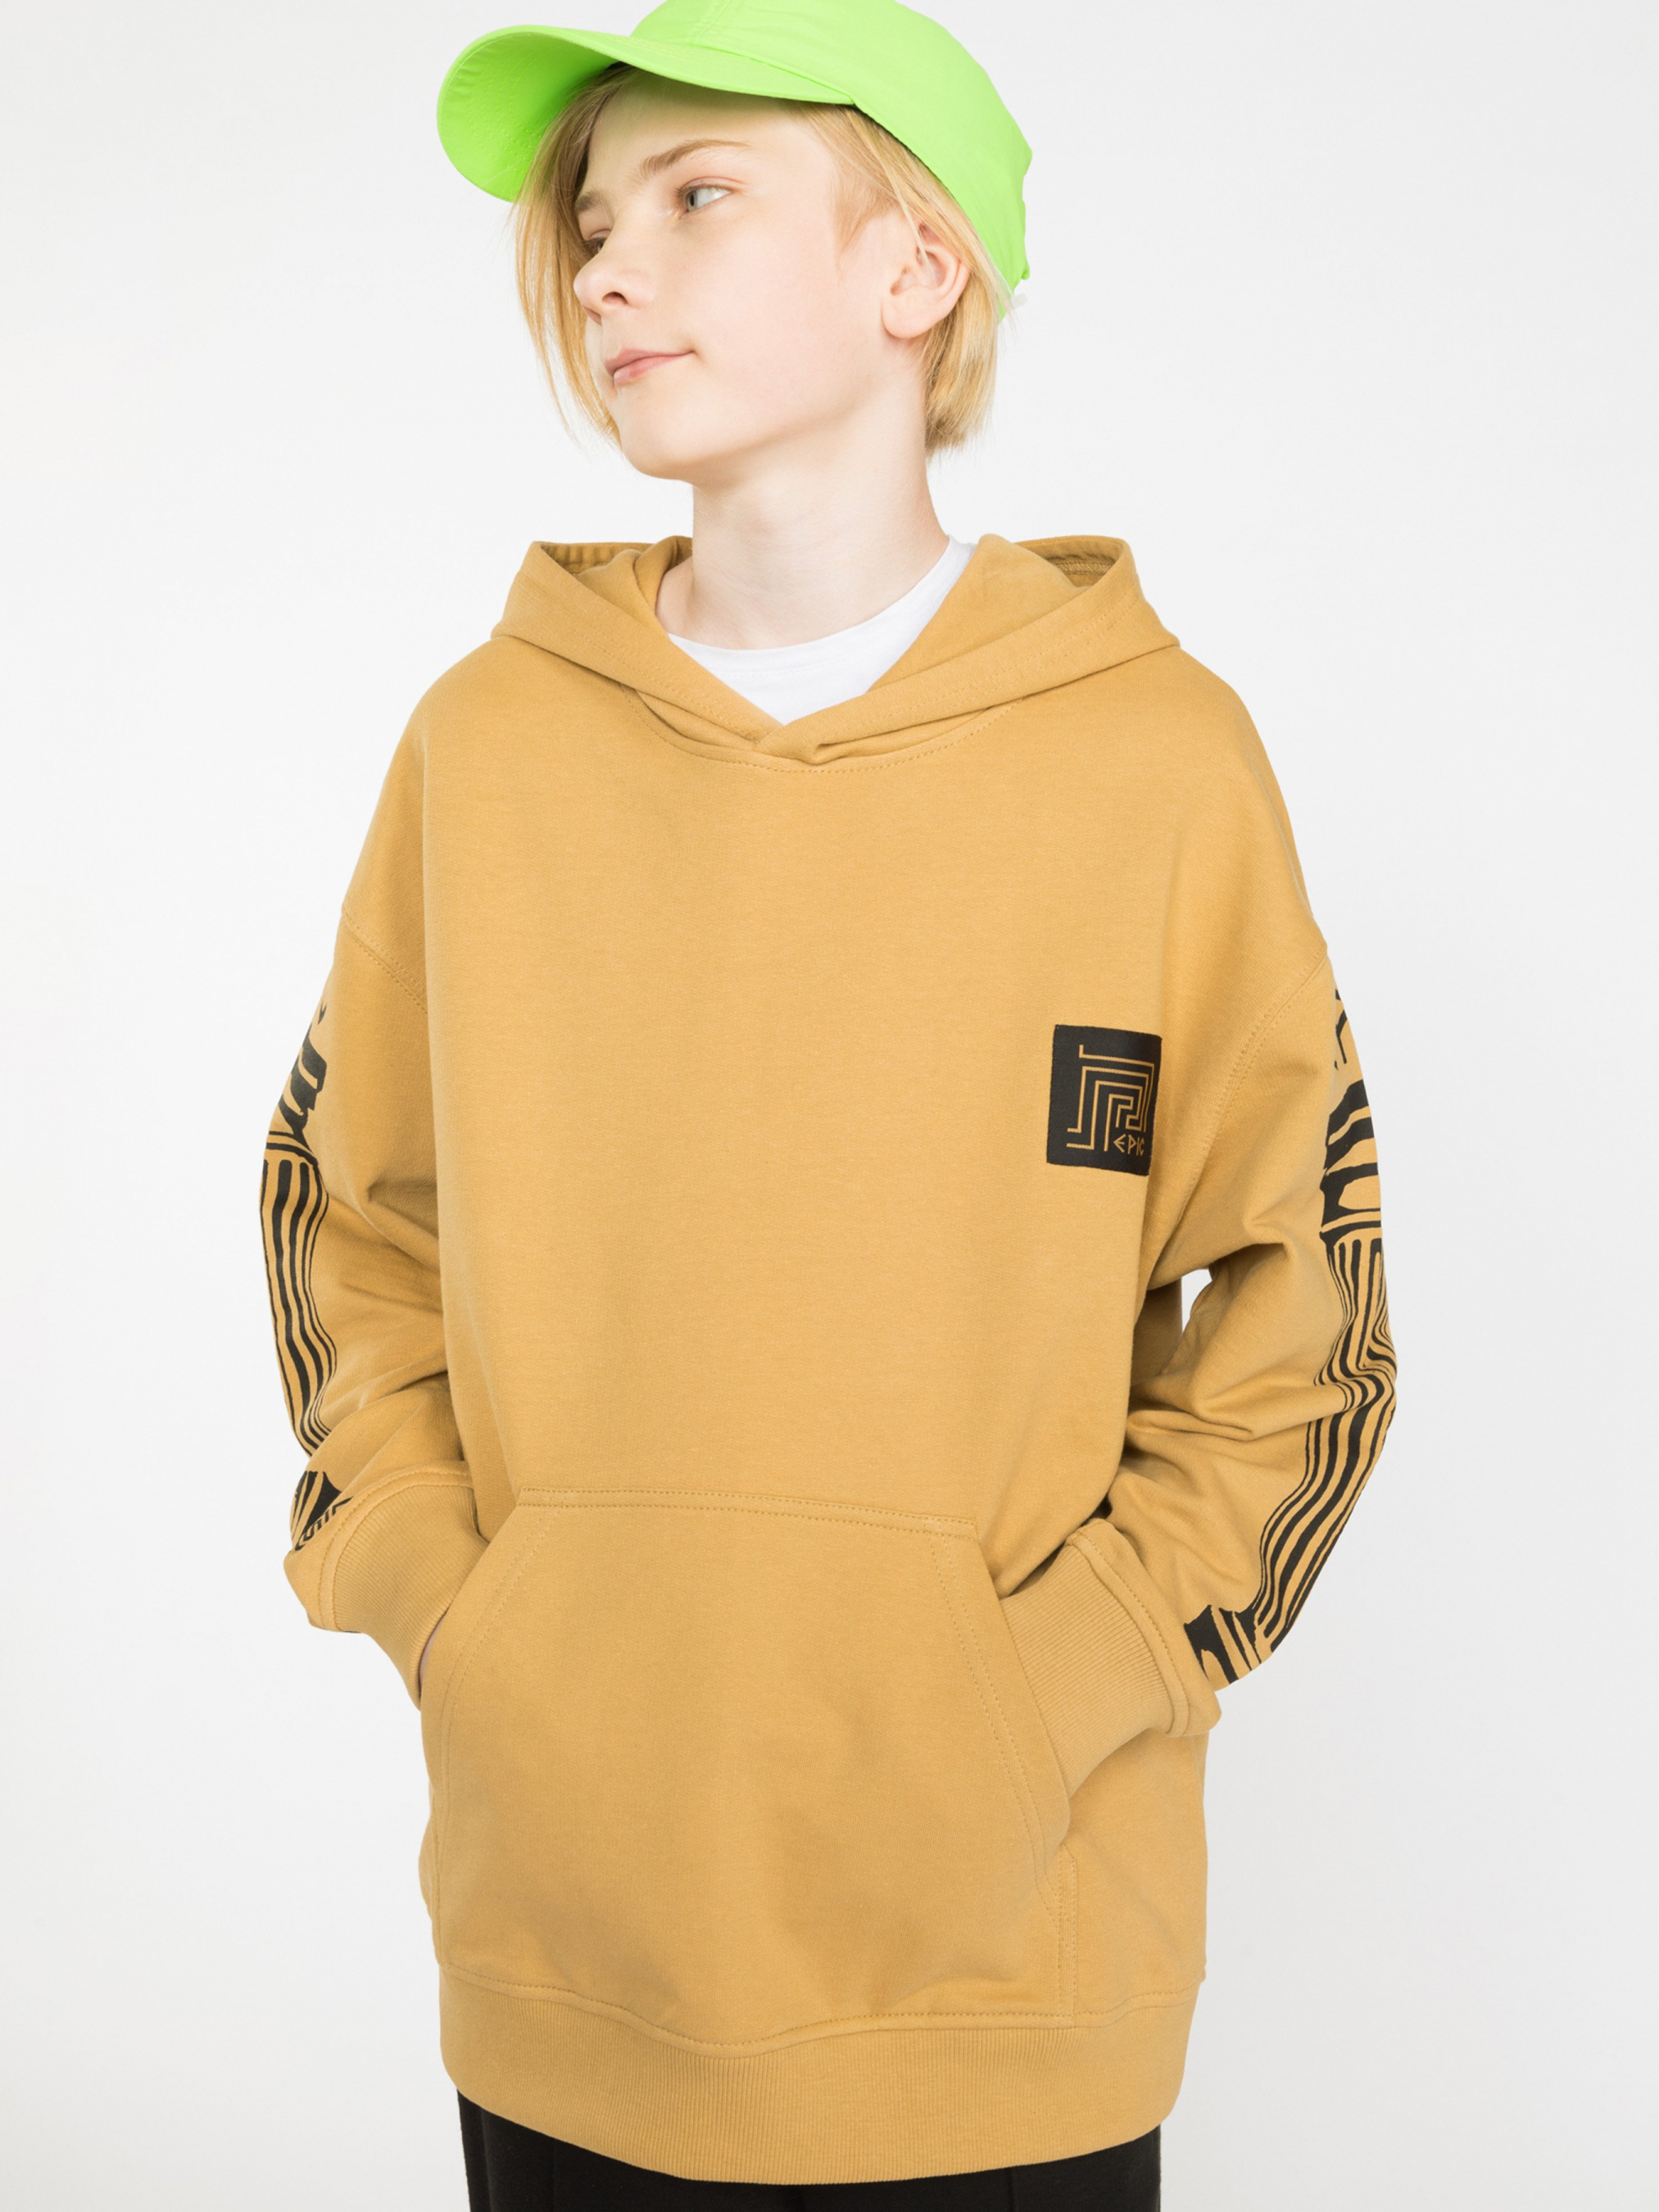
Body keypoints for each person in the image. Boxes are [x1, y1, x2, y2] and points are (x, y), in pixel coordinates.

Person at [261, 3, 1397, 2207]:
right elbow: (348, 1223)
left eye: (698, 196)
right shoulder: (486, 747)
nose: (606, 266)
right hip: (567, 1954)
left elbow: (1301, 1317)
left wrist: (1051, 1689)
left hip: (1007, 1988)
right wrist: (456, 1617)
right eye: (594, 219)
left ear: (916, 268)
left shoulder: (1154, 766)